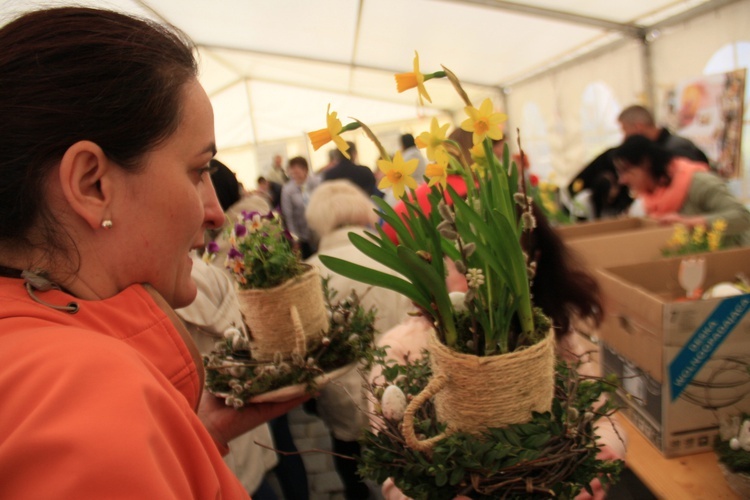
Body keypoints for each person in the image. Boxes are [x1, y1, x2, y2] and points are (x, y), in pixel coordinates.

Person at [0, 7, 305, 498]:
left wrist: (181, 439)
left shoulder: (39, 371)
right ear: (92, 183)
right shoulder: (87, 394)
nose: (216, 213)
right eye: (197, 170)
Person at [371, 136, 626, 500]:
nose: (487, 279)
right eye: (466, 259)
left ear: (530, 264)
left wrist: (600, 462)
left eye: (502, 260)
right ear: (430, 264)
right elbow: (394, 462)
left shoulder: (554, 336)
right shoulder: (400, 350)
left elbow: (602, 417)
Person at [305, 180, 414, 499]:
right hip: (402, 384)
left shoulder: (309, 272)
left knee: (351, 465)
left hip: (343, 395)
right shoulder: (393, 258)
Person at [568, 104, 710, 220]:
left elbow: (692, 192)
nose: (623, 138)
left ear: (638, 128)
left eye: (624, 130)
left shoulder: (678, 150)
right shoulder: (668, 147)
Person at [613, 134, 750, 246]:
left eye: (626, 172)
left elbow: (743, 217)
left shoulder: (698, 182)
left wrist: (690, 223)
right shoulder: (647, 199)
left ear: (646, 164)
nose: (622, 180)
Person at [280, 156, 320, 259]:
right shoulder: (287, 190)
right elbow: (288, 216)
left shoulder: (316, 182)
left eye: (297, 172)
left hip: (319, 230)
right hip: (302, 233)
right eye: (292, 173)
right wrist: (294, 239)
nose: (294, 175)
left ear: (305, 170)